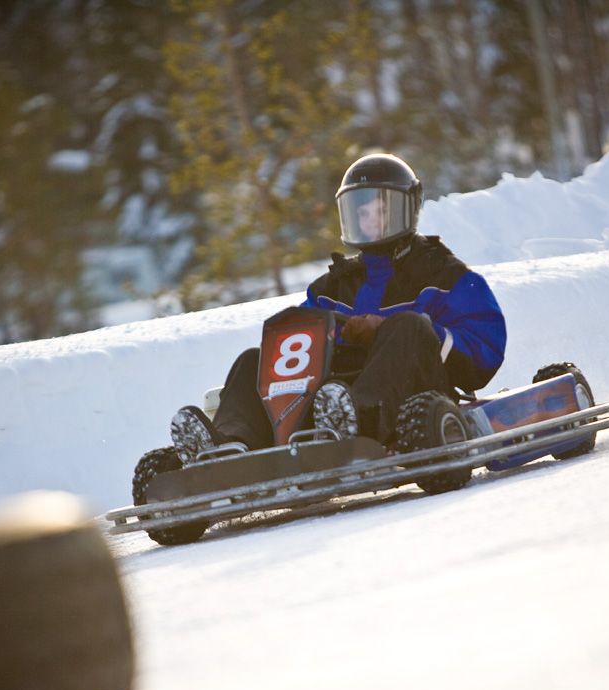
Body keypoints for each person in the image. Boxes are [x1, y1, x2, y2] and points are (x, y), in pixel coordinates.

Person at [170, 153, 507, 462]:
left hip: (410, 399)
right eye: (362, 212)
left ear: (407, 207)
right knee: (255, 359)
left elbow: (484, 351)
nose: (371, 220)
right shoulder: (334, 285)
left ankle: (353, 418)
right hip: (328, 402)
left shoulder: (444, 274)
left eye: (380, 209)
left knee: (408, 326)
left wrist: (402, 331)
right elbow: (296, 346)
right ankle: (230, 447)